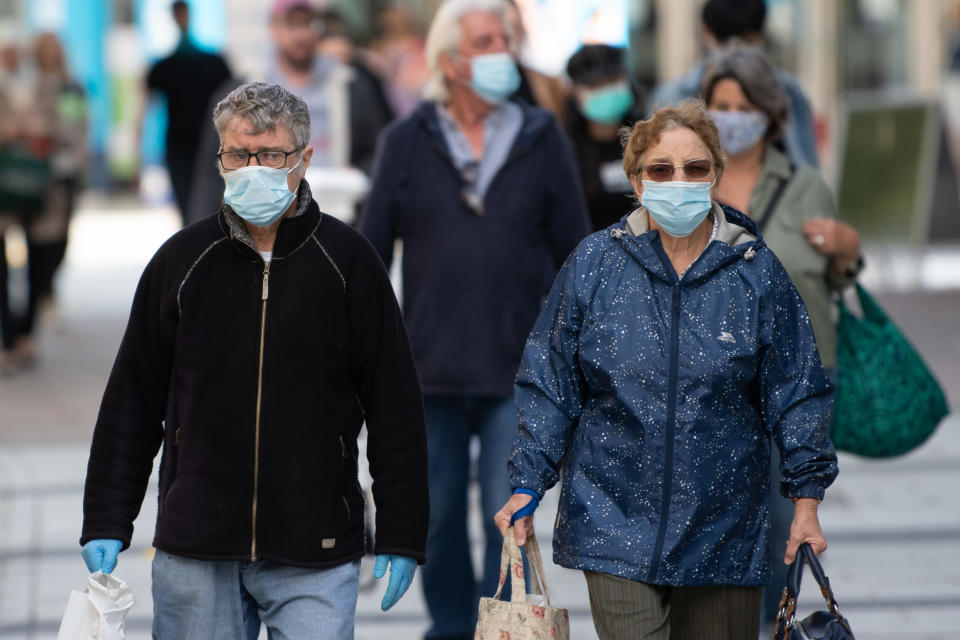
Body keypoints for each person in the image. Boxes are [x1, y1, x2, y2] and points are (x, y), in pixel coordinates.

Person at [80, 82, 428, 639]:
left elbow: (395, 406)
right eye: (238, 155)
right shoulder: (182, 261)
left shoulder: (348, 262)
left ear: (305, 158)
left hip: (315, 542)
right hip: (197, 543)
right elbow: (133, 399)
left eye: (270, 155)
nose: (252, 169)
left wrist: (403, 531)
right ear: (219, 157)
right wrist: (105, 516)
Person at [495, 101, 839, 640]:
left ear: (715, 176)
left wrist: (807, 499)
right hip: (613, 520)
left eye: (694, 168)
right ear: (636, 181)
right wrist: (528, 482)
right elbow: (550, 380)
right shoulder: (594, 264)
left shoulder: (755, 272)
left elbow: (797, 390)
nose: (678, 180)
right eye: (661, 169)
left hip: (722, 526)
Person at [360, 0, 590, 636]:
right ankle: (452, 625)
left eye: (506, 38)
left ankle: (499, 627)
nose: (502, 50)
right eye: (487, 40)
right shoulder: (405, 142)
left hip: (519, 368)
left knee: (505, 512)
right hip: (426, 367)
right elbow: (370, 253)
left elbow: (577, 250)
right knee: (430, 518)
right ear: (452, 60)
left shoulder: (543, 137)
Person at [699, 44, 862, 628]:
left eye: (744, 105)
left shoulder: (805, 185)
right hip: (714, 384)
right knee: (721, 527)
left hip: (797, 381)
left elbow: (836, 277)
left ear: (769, 112)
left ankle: (771, 626)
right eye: (720, 104)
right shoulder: (691, 186)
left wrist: (847, 252)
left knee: (779, 526)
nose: (732, 116)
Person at [649, 0, 819, 168]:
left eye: (746, 108)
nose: (733, 54)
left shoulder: (787, 91)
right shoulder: (673, 97)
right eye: (722, 107)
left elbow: (805, 167)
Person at [267, 0, 390, 175]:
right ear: (273, 29)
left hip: (338, 194)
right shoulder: (254, 87)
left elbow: (378, 147)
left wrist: (358, 172)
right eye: (291, 24)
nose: (300, 34)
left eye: (308, 23)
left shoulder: (349, 82)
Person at [144, 0, 232, 224]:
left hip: (213, 144)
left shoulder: (214, 62)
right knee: (187, 205)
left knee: (213, 203)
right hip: (180, 146)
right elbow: (145, 104)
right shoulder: (164, 66)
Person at [563, 43, 646, 231]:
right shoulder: (564, 150)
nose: (605, 89)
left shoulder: (651, 142)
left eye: (612, 80)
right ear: (574, 90)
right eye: (594, 84)